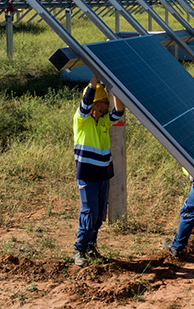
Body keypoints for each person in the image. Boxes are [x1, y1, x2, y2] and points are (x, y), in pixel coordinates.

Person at [72, 73, 125, 266]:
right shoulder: (81, 120)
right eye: (104, 102)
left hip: (103, 176)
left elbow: (119, 110)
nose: (107, 105)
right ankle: (79, 249)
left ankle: (91, 247)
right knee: (89, 213)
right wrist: (95, 74)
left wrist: (114, 86)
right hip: (88, 176)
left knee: (100, 213)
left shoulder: (103, 121)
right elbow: (87, 98)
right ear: (95, 105)